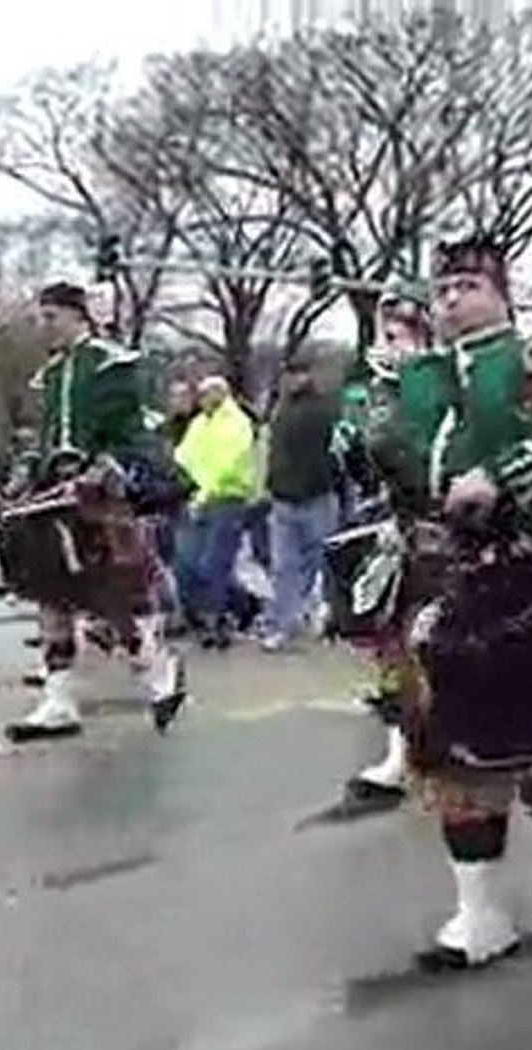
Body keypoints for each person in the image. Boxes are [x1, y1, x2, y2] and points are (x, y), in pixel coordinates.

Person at [364, 235, 532, 969]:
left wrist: (502, 479)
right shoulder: (415, 376)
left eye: (467, 287)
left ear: (501, 292)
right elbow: (399, 457)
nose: (451, 300)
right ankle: (479, 916)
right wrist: (378, 442)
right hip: (440, 577)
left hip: (529, 569)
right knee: (448, 757)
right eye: (442, 290)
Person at [6, 282, 185, 740]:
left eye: (51, 316)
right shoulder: (48, 375)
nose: (43, 325)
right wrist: (26, 470)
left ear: (77, 315)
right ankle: (58, 699)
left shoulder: (113, 363)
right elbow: (42, 437)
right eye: (40, 317)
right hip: (53, 494)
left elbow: (144, 426)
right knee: (50, 594)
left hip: (99, 494)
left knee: (109, 596)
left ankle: (158, 671)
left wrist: (109, 466)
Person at [341, 278, 435, 803]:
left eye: (402, 333)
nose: (390, 344)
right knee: (389, 639)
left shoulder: (446, 384)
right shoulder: (375, 391)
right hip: (398, 531)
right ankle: (400, 753)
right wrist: (354, 448)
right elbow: (367, 471)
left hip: (455, 531)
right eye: (387, 332)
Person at [260, 355, 340, 651]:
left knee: (321, 562)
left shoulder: (324, 410)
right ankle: (283, 624)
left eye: (298, 373)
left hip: (316, 495)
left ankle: (318, 615)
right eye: (288, 374)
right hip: (284, 497)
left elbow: (336, 451)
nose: (292, 380)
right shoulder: (281, 410)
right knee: (284, 566)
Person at [174, 375, 258, 650]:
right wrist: (179, 483)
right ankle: (243, 604)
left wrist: (205, 492)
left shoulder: (237, 423)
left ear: (223, 393)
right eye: (201, 394)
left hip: (226, 499)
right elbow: (185, 457)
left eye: (208, 394)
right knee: (188, 562)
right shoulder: (199, 424)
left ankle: (216, 621)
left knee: (214, 563)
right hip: (196, 499)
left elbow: (230, 463)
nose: (202, 400)